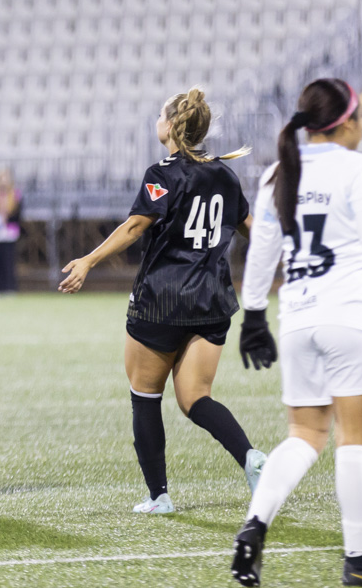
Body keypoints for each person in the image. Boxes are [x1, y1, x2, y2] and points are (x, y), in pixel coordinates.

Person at [231, 78, 362, 587]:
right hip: (352, 319)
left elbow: (262, 252)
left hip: (298, 319)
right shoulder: (357, 167)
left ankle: (254, 527)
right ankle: (360, 562)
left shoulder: (279, 170)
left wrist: (254, 316)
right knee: (355, 442)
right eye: (360, 118)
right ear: (344, 124)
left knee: (304, 435)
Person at [59, 87, 267, 513]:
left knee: (145, 395)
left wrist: (89, 261)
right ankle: (251, 458)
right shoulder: (224, 174)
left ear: (171, 126)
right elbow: (254, 229)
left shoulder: (163, 173)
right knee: (195, 398)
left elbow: (136, 226)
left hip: (162, 300)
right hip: (211, 300)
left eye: (160, 115)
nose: (157, 120)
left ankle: (159, 496)